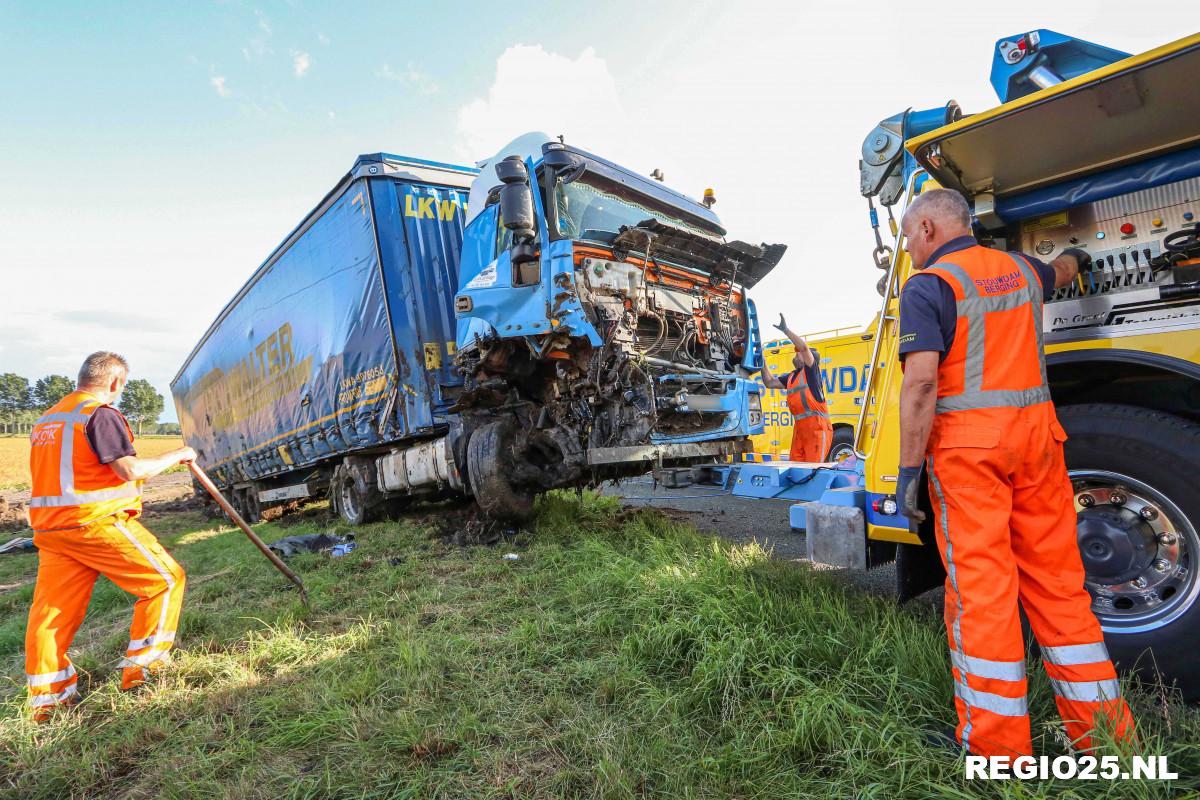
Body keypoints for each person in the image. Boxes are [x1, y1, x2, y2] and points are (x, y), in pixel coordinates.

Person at [895, 188, 1135, 757]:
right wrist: (1081, 255)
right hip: (1038, 446)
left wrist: (909, 471)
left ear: (927, 228)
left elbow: (922, 385)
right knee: (1059, 587)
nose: (907, 250)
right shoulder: (1021, 271)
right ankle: (1105, 739)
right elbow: (1064, 269)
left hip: (971, 454)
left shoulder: (929, 286)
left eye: (907, 238)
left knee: (983, 593)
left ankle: (997, 753)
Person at [25, 352, 196, 720]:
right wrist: (178, 454)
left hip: (52, 530)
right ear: (116, 383)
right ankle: (143, 670)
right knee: (164, 580)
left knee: (52, 613)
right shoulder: (98, 414)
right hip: (94, 522)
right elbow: (129, 469)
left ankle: (48, 701)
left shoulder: (46, 420)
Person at [760, 315, 833, 462]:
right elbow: (769, 382)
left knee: (813, 471)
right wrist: (761, 359)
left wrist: (786, 330)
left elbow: (804, 348)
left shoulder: (811, 372)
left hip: (817, 430)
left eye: (798, 352)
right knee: (796, 469)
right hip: (800, 430)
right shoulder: (792, 377)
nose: (796, 352)